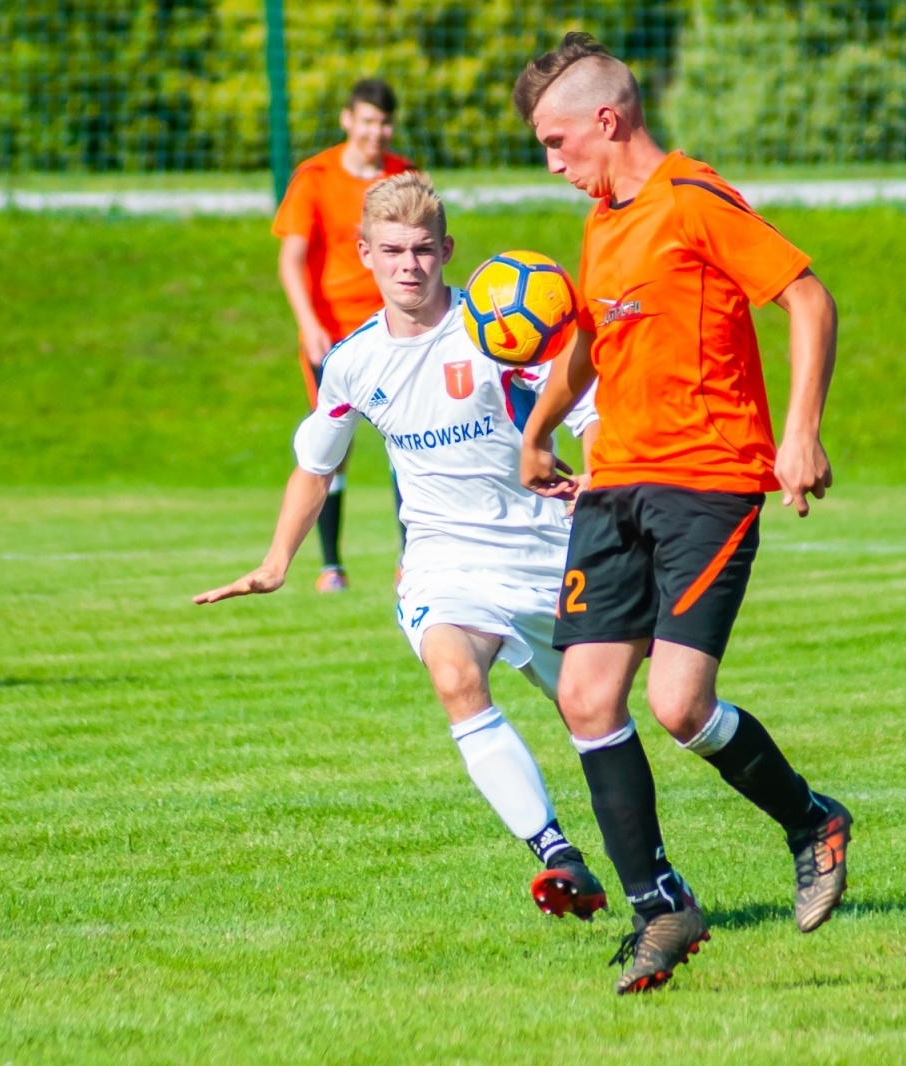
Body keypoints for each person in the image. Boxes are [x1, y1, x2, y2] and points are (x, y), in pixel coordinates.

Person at [510, 33, 852, 994]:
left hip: (708, 481)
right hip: (613, 483)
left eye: (556, 140)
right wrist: (537, 432)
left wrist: (800, 434)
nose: (553, 161)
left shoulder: (695, 199)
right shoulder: (604, 222)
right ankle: (662, 906)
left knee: (678, 705)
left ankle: (810, 820)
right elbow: (590, 340)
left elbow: (809, 299)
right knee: (584, 698)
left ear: (606, 122)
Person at [200, 174, 609, 918]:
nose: (409, 265)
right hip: (443, 559)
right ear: (364, 255)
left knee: (599, 715)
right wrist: (275, 560)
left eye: (423, 249)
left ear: (448, 250)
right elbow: (314, 466)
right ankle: (558, 857)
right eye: (391, 251)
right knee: (454, 676)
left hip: (545, 550)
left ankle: (682, 859)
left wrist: (606, 477)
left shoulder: (499, 329)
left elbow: (585, 409)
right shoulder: (353, 361)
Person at [272, 79, 414, 592]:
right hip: (335, 339)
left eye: (385, 122)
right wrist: (309, 323)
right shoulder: (315, 178)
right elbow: (290, 258)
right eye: (368, 120)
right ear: (348, 120)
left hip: (399, 333)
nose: (377, 131)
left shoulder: (404, 177)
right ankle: (331, 565)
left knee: (411, 439)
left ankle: (411, 561)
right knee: (331, 447)